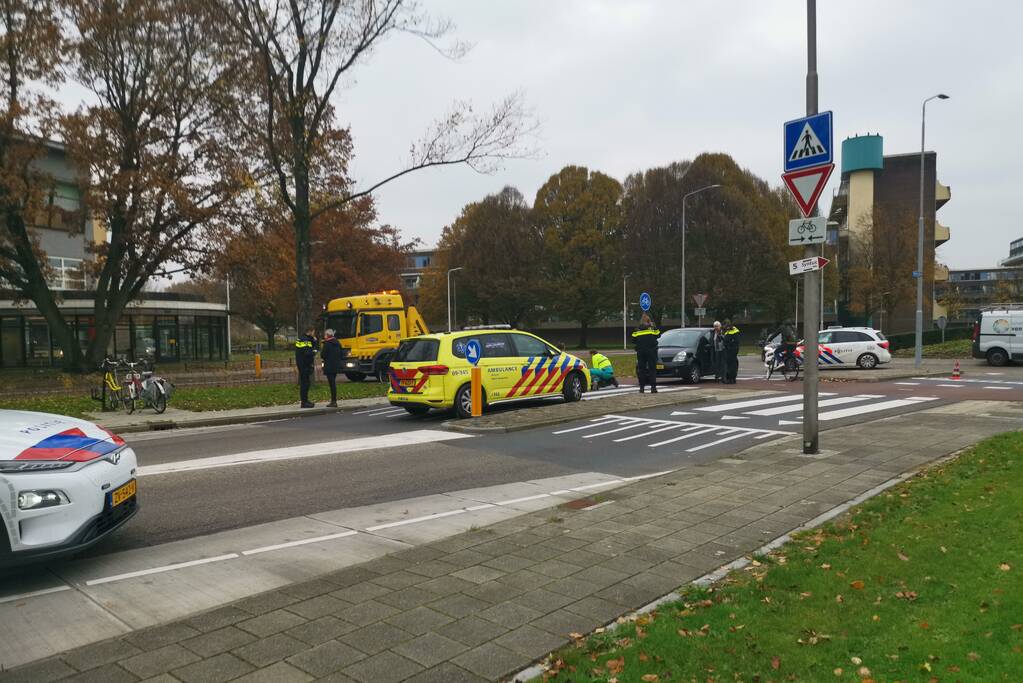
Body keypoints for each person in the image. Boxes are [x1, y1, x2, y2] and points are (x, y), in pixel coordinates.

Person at [631, 314, 661, 394]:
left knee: (641, 370)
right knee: (652, 370)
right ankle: (653, 388)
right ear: (649, 321)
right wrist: (653, 326)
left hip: (641, 352)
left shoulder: (636, 330)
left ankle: (641, 388)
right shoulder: (652, 329)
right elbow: (659, 335)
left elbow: (633, 341)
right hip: (651, 351)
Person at [294, 326, 318, 408]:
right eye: (313, 332)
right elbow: (308, 353)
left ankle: (305, 401)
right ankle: (304, 402)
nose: (314, 334)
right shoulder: (306, 340)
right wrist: (314, 351)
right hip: (305, 365)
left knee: (305, 383)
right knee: (305, 384)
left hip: (301, 364)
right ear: (310, 332)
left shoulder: (301, 338)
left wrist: (314, 341)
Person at [320, 328, 342, 407]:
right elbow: (341, 354)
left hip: (329, 366)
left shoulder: (327, 344)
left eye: (325, 335)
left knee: (332, 384)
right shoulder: (338, 343)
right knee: (333, 383)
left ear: (328, 335)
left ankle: (333, 401)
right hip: (336, 366)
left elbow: (322, 355)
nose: (324, 336)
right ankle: (334, 400)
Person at [722, 319, 741, 384]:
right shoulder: (728, 331)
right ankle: (729, 378)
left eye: (724, 326)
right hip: (729, 350)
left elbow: (735, 342)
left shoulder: (734, 332)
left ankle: (732, 379)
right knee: (729, 365)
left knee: (732, 365)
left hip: (732, 350)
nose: (724, 327)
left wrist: (729, 346)